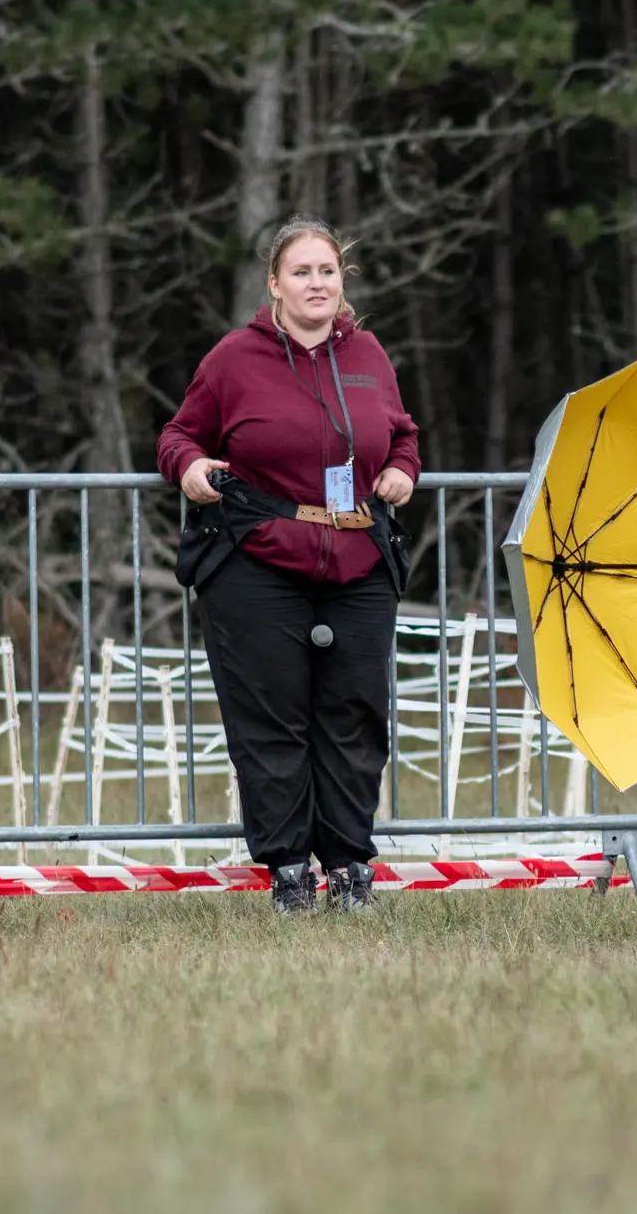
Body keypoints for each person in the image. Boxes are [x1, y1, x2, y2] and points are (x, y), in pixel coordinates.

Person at [158, 218, 420, 915]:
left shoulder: (367, 352)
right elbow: (179, 433)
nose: (316, 284)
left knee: (355, 715)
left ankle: (349, 866)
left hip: (360, 554)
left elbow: (402, 433)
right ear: (274, 284)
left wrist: (400, 469)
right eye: (301, 272)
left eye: (327, 272)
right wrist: (189, 467)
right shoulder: (233, 359)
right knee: (273, 719)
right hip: (257, 559)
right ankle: (288, 872)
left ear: (343, 282)